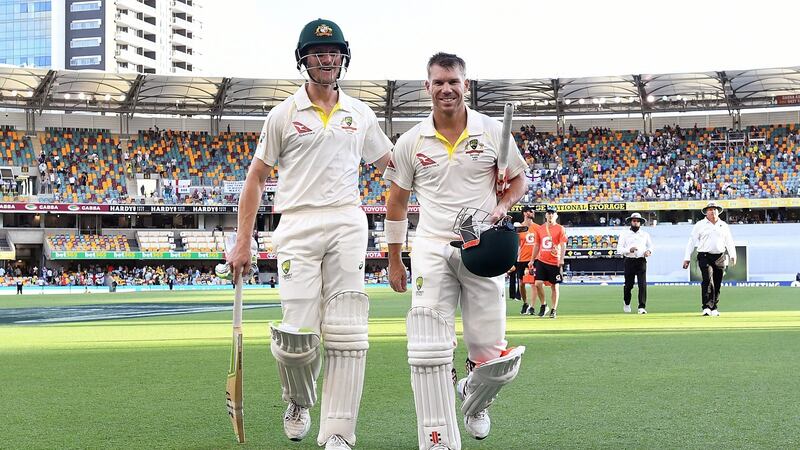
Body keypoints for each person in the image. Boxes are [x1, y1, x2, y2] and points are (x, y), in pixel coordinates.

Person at [226, 19, 392, 450]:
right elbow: (255, 178)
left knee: (344, 331)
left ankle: (338, 432)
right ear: (304, 59)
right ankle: (299, 399)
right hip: (296, 223)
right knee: (299, 333)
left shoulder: (360, 113)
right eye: (319, 52)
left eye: (334, 52)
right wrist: (243, 241)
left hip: (347, 221)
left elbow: (393, 165)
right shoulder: (282, 115)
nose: (327, 58)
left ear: (343, 57)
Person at [385, 52, 529, 449]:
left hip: (481, 247)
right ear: (426, 87)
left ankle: (475, 400)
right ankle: (437, 435)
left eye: (453, 82)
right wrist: (395, 258)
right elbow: (396, 203)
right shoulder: (411, 141)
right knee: (428, 341)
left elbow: (519, 180)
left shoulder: (492, 131)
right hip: (432, 246)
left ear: (466, 85)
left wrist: (503, 204)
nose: (446, 89)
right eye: (438, 82)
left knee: (491, 356)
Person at [683, 201, 736, 316]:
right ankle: (706, 306)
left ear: (718, 211)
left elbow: (729, 241)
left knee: (717, 282)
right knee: (707, 280)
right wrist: (687, 257)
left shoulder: (723, 225)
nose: (713, 211)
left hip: (720, 256)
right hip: (704, 255)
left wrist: (733, 255)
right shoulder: (700, 225)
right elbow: (691, 241)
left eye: (715, 209)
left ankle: (714, 307)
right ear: (706, 212)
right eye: (710, 209)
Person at [530, 205, 567, 318]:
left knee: (554, 286)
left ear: (556, 215)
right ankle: (543, 304)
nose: (550, 215)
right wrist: (532, 260)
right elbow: (537, 244)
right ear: (546, 215)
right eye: (548, 213)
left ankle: (553, 309)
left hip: (554, 261)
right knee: (537, 283)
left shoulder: (560, 228)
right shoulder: (540, 229)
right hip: (542, 260)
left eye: (552, 213)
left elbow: (563, 244)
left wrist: (561, 259)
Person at [616, 212, 653, 314]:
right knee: (629, 285)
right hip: (629, 260)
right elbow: (619, 249)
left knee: (642, 285)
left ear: (640, 223)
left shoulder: (645, 234)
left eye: (637, 221)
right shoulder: (624, 234)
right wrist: (629, 250)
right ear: (631, 222)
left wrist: (648, 252)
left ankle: (641, 307)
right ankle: (627, 302)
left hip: (641, 260)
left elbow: (650, 246)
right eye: (634, 221)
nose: (636, 223)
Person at [516, 206, 544, 315]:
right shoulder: (519, 228)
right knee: (521, 284)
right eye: (529, 211)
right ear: (524, 213)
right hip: (522, 258)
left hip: (535, 259)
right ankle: (525, 303)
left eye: (533, 211)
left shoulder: (538, 227)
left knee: (534, 283)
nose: (532, 212)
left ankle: (532, 307)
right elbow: (517, 244)